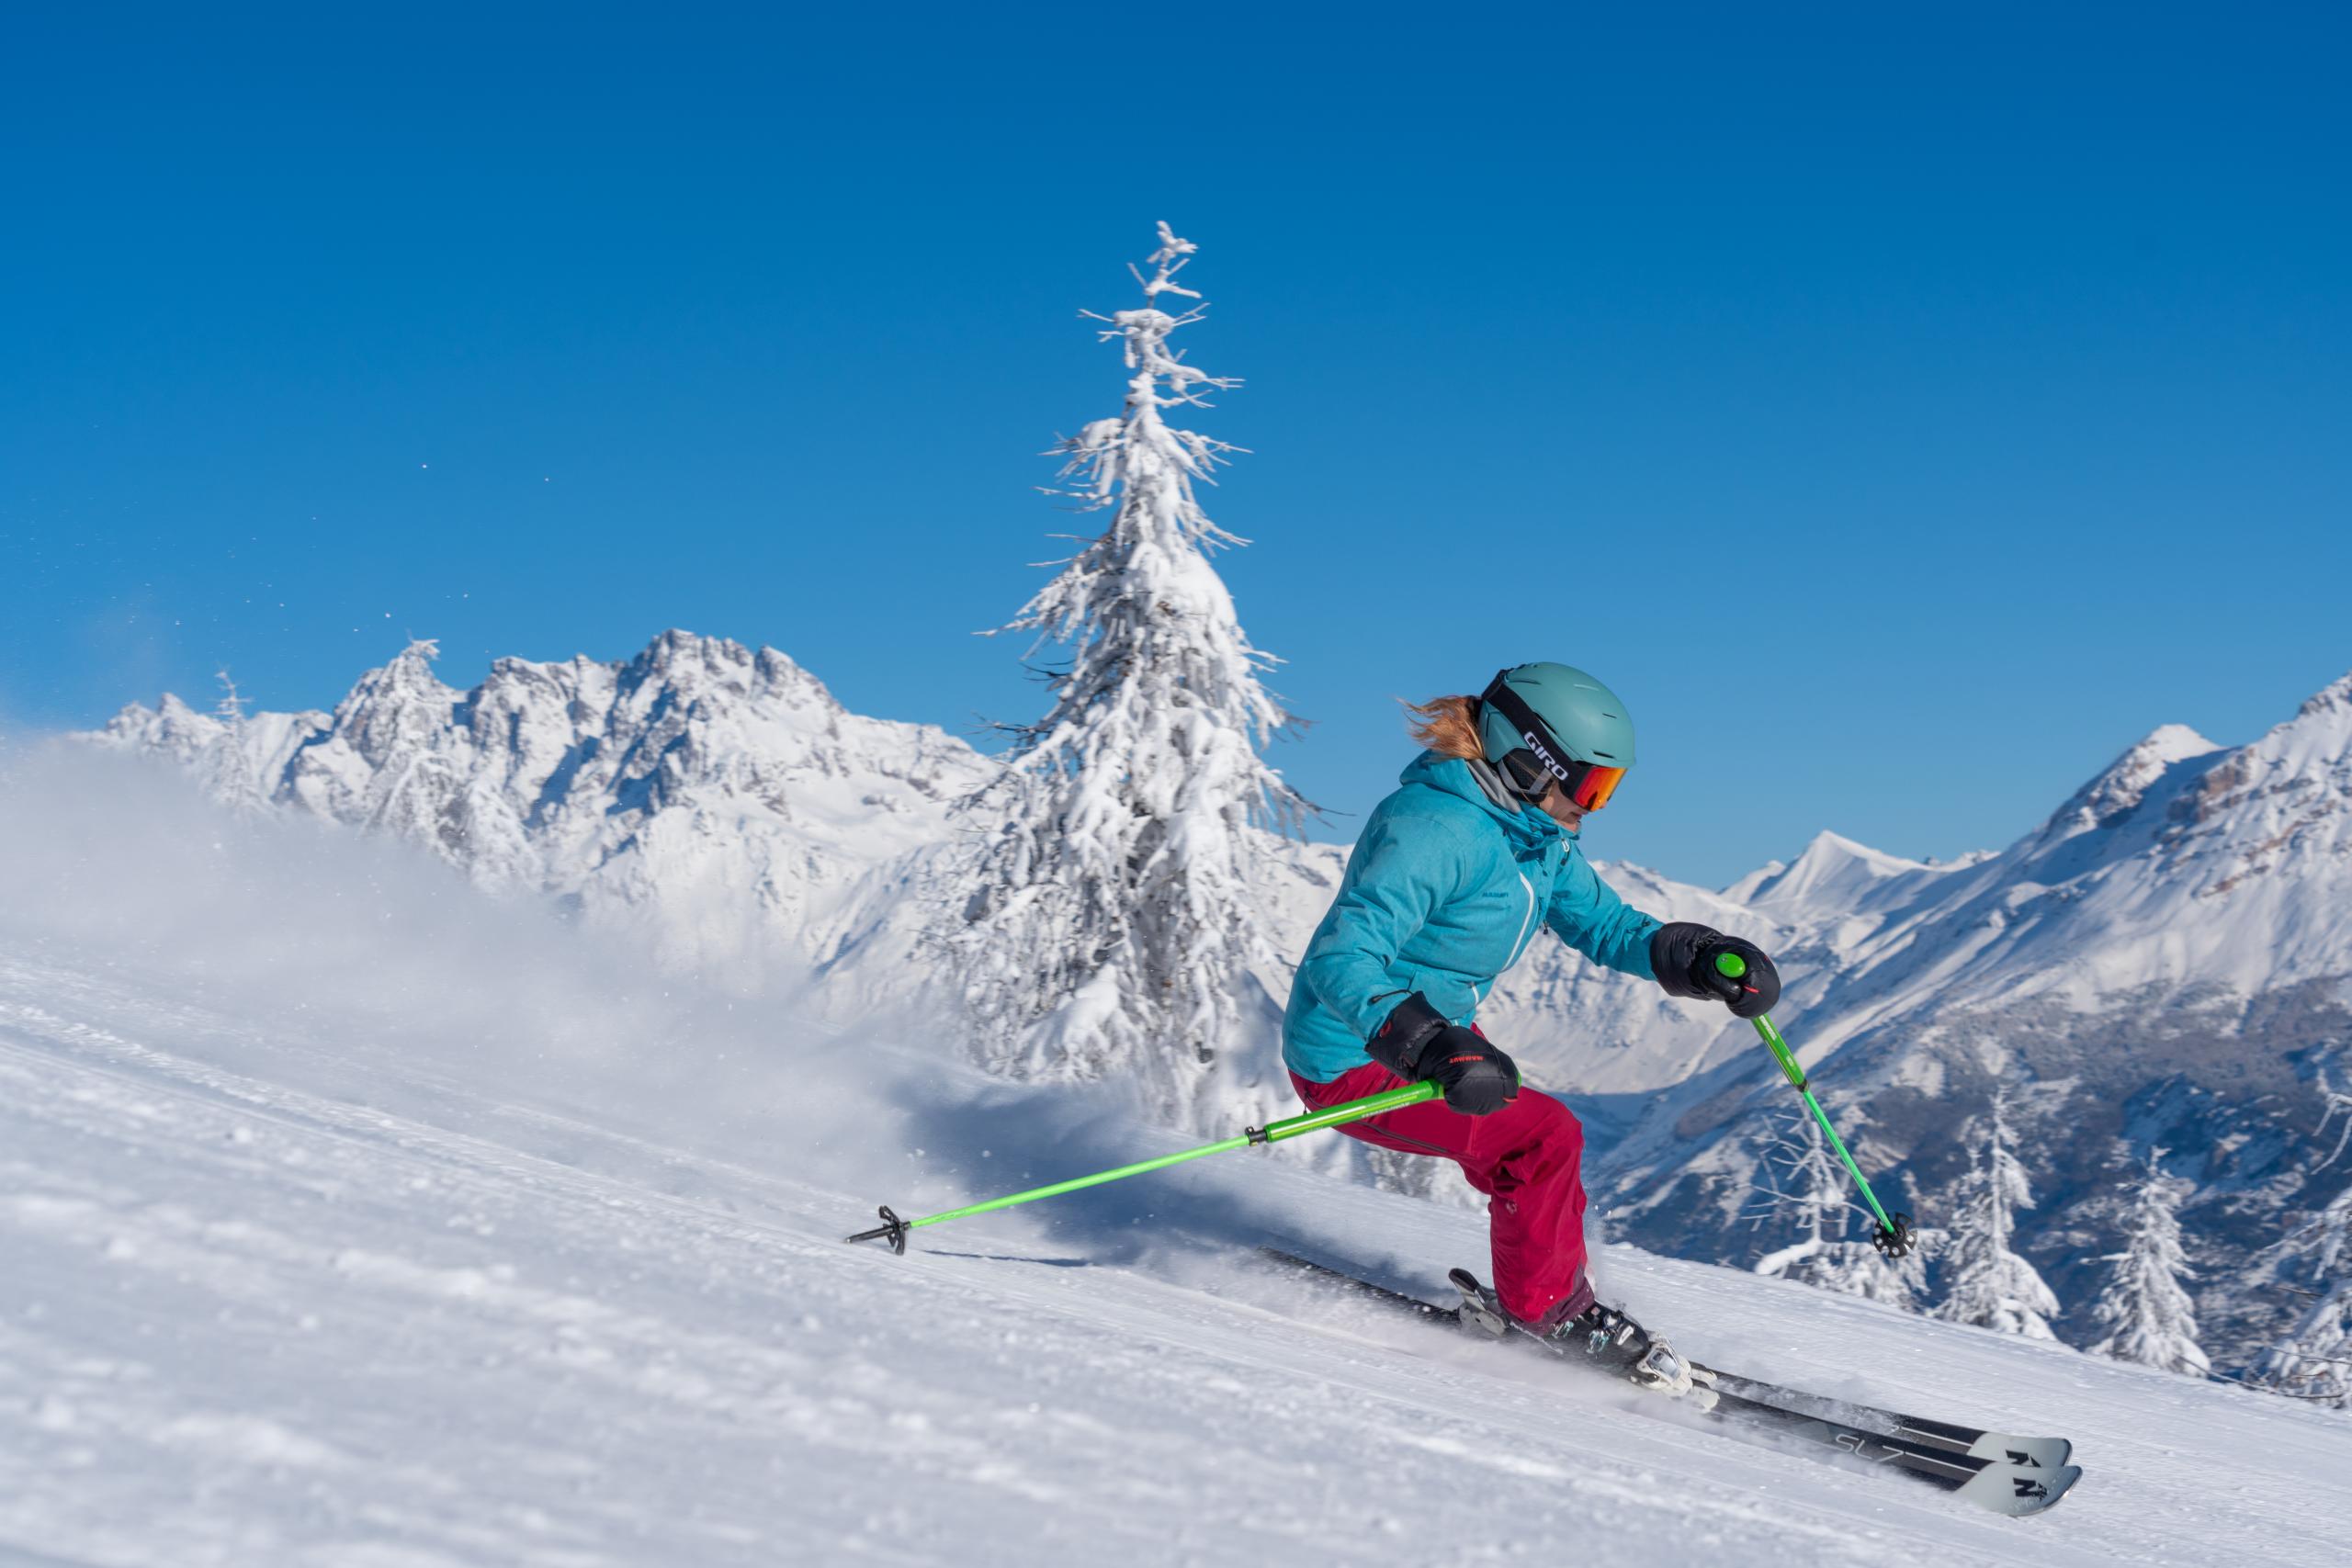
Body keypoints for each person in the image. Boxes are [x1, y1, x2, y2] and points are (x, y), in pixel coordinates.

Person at [1280, 662, 1781, 1393]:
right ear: (1529, 759)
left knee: (1537, 1148)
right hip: (1353, 1053)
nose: (1595, 806)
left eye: (1607, 789)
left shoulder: (1531, 836)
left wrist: (1697, 957)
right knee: (1541, 1137)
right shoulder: (1432, 829)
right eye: (1590, 786)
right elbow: (1343, 954)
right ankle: (1550, 1312)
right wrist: (1424, 1042)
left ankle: (1546, 1288)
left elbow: (1604, 924)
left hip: (1432, 1039)